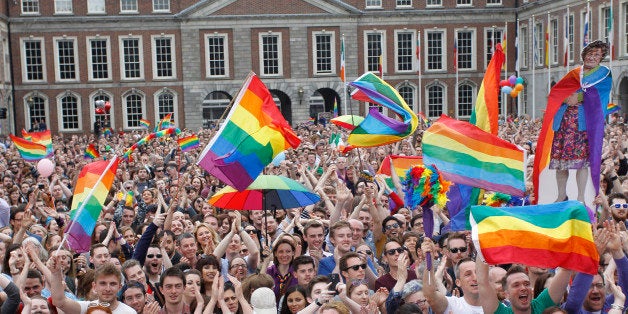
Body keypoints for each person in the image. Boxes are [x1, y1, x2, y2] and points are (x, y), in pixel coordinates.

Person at [536, 40, 612, 204]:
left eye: (596, 54)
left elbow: (601, 95)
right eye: (590, 54)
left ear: (601, 58)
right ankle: (561, 195)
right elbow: (556, 93)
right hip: (563, 123)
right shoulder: (574, 73)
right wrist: (564, 98)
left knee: (582, 163)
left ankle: (580, 197)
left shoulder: (604, 73)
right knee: (560, 163)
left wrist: (578, 97)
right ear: (584, 56)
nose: (592, 57)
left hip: (583, 124)